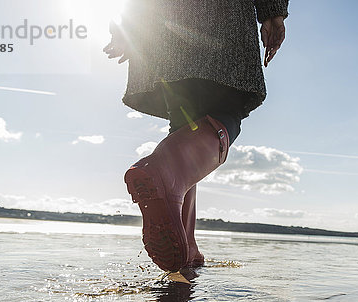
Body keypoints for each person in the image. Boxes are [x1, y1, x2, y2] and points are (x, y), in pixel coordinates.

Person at [104, 0, 289, 272]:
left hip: (160, 25)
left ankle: (186, 242)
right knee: (228, 113)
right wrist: (273, 11)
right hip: (219, 18)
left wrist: (127, 27)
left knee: (185, 125)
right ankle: (164, 174)